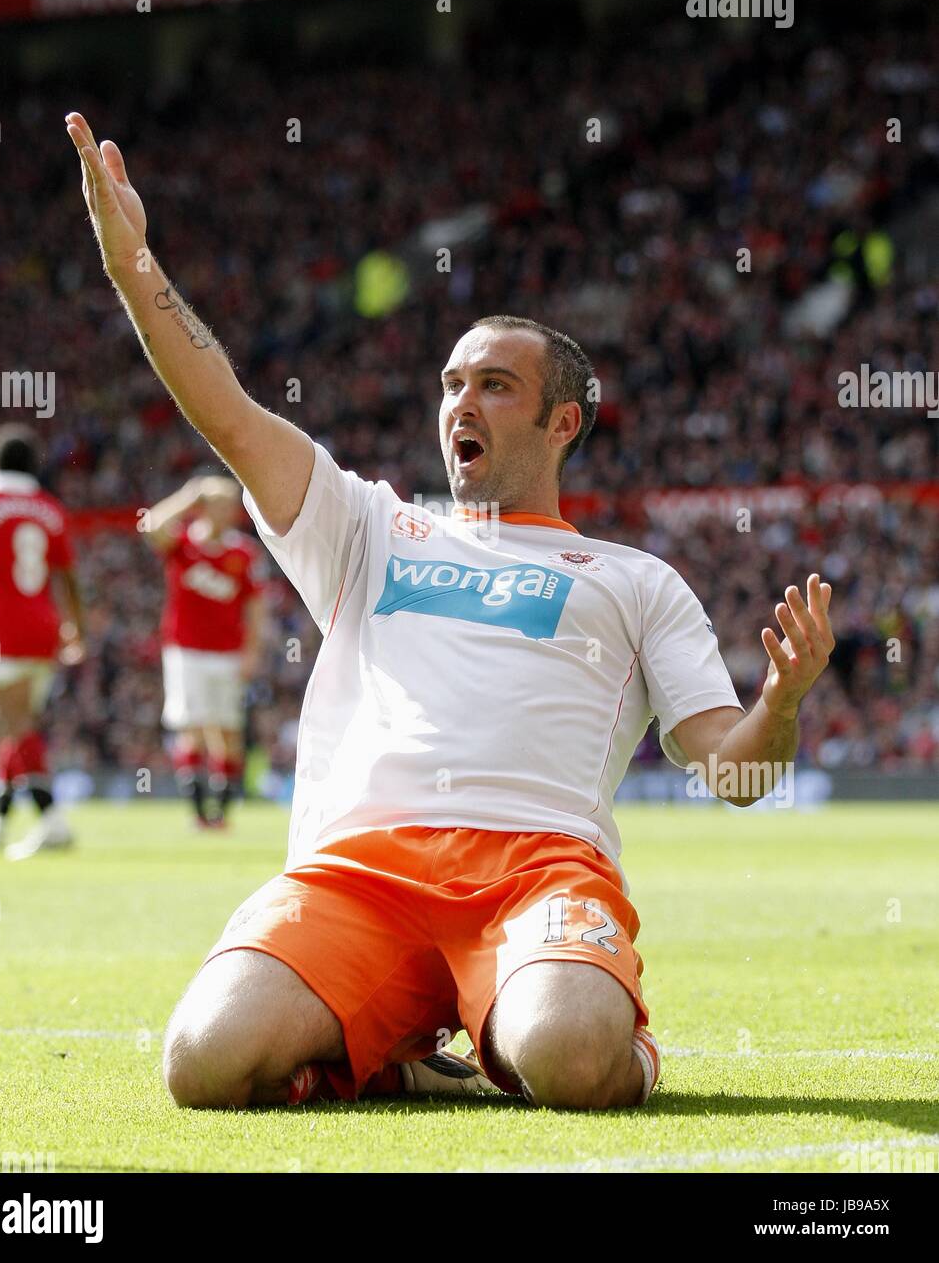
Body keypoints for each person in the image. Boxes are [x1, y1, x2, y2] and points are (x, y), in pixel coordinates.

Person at [66, 112, 835, 1109]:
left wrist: (780, 702)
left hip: (538, 870)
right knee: (203, 1063)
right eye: (452, 382)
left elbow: (739, 772)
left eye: (495, 386)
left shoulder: (634, 579)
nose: (459, 403)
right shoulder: (366, 525)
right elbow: (230, 413)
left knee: (573, 1062)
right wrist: (135, 267)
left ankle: (565, 1038)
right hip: (362, 871)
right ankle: (399, 1042)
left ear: (563, 421)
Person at [0, 424, 84, 860]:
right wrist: (75, 629)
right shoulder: (50, 508)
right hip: (43, 629)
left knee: (14, 727)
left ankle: (53, 823)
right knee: (11, 729)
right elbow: (68, 577)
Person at [144, 475, 264, 828]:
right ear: (203, 508)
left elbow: (255, 608)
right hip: (185, 651)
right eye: (221, 505)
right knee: (191, 726)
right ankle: (198, 812)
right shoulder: (181, 543)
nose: (229, 513)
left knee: (226, 730)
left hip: (227, 653)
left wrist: (251, 652)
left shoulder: (243, 552)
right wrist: (187, 493)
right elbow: (151, 525)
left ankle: (222, 811)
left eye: (232, 506)